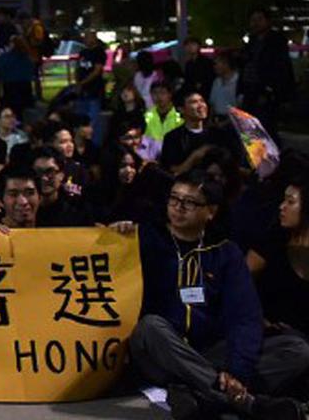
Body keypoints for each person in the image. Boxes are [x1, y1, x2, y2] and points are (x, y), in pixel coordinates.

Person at [131, 173, 309, 420]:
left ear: (211, 212)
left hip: (208, 352)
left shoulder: (226, 253)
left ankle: (199, 395)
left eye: (189, 202)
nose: (178, 207)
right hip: (162, 351)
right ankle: (248, 403)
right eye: (174, 199)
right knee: (150, 327)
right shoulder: (146, 239)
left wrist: (237, 370)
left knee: (297, 349)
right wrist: (116, 235)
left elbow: (244, 316)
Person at [246, 176, 309, 337]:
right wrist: (261, 321)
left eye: (290, 202)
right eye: (283, 200)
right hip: (267, 334)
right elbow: (240, 284)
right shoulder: (272, 241)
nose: (282, 207)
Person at [239, 8, 295, 136]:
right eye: (253, 20)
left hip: (267, 90)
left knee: (267, 127)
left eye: (259, 19)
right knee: (250, 127)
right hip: (250, 88)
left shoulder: (276, 40)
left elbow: (281, 67)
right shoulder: (252, 40)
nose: (256, 23)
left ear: (268, 21)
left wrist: (272, 90)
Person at [31, 148, 92, 227]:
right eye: (38, 172)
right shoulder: (25, 209)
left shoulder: (76, 210)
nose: (44, 178)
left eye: (50, 172)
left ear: (61, 175)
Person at [143, 81, 183, 160]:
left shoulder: (180, 115)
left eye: (162, 93)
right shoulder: (146, 116)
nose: (158, 96)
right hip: (151, 159)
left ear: (170, 95)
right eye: (155, 93)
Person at [209, 50, 241, 116]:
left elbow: (240, 107)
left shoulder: (238, 82)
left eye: (216, 64)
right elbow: (212, 103)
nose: (214, 67)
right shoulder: (216, 81)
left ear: (226, 64)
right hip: (217, 117)